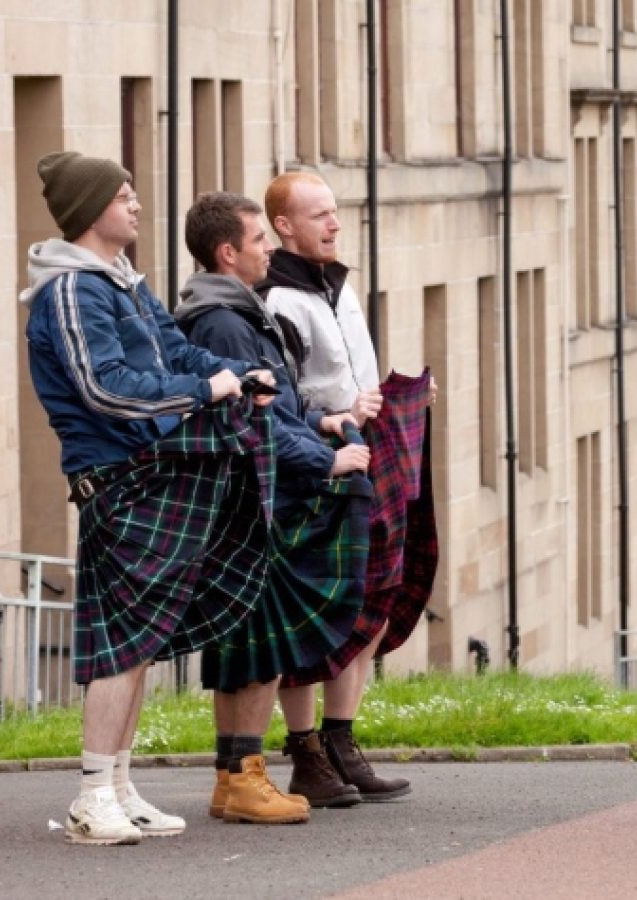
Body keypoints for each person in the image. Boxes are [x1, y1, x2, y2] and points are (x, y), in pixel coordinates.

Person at [21, 152, 277, 845]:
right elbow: (104, 387)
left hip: (146, 470)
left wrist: (235, 373)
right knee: (122, 645)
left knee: (138, 642)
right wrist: (205, 392)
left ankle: (120, 787)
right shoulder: (73, 290)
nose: (136, 204)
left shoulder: (123, 282)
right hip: (115, 477)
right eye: (123, 194)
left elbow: (174, 350)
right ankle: (91, 794)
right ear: (89, 210)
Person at [176, 192, 379, 822]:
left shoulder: (232, 310)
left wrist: (321, 421)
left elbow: (277, 408)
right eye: (260, 239)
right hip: (253, 499)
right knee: (257, 648)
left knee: (247, 647)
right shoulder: (225, 321)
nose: (271, 248)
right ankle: (244, 777)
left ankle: (235, 776)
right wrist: (326, 458)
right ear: (228, 252)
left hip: (252, 492)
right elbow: (249, 419)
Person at [259, 171, 431, 807]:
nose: (334, 224)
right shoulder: (278, 301)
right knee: (314, 608)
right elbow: (282, 395)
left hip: (366, 450)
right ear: (284, 225)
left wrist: (396, 394)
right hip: (317, 457)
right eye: (319, 216)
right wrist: (338, 409)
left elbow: (352, 368)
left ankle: (341, 741)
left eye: (334, 212)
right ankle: (305, 752)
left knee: (374, 598)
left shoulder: (338, 283)